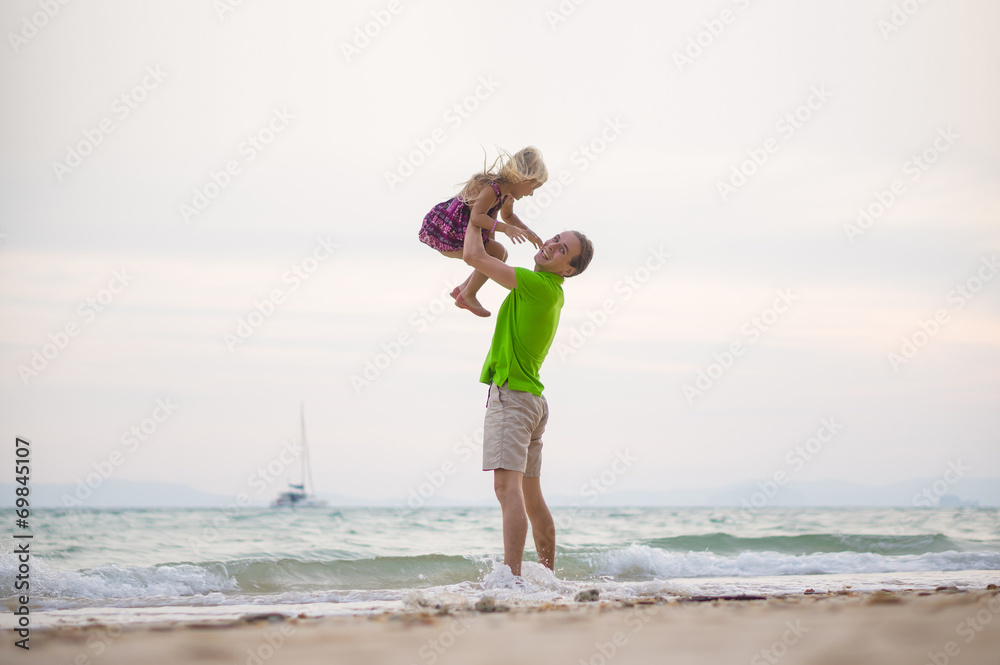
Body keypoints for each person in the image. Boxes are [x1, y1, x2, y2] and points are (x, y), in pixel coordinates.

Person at [461, 208, 594, 578]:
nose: (551, 244)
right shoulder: (551, 292)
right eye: (554, 238)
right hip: (532, 402)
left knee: (507, 491)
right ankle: (548, 577)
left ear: (568, 269)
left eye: (562, 248)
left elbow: (474, 256)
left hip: (515, 400)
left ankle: (512, 578)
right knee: (531, 496)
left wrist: (475, 218)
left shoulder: (535, 286)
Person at [419, 147, 547, 317]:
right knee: (498, 252)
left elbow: (508, 215)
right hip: (448, 231)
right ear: (522, 178)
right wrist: (505, 229)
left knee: (497, 253)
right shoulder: (493, 188)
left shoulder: (506, 195)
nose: (531, 194)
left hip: (461, 232)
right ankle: (468, 294)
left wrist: (528, 232)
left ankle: (464, 289)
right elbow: (477, 217)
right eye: (533, 187)